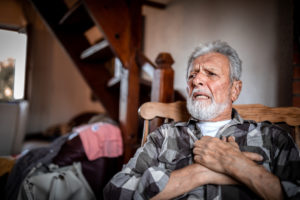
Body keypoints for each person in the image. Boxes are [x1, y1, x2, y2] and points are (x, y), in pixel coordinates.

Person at [103, 41, 300, 200]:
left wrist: (242, 167)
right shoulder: (164, 136)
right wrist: (206, 172)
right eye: (192, 75)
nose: (196, 80)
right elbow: (115, 191)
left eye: (211, 73)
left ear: (235, 89)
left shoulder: (274, 139)